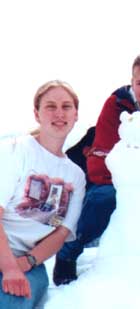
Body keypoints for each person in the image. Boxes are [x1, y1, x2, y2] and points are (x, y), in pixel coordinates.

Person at [53, 48, 140, 285]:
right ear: (132, 83)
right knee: (104, 198)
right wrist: (132, 184)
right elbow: (100, 161)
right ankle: (68, 252)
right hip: (109, 179)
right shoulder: (117, 105)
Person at [0, 80, 86, 308]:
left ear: (76, 114)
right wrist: (8, 267)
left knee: (12, 300)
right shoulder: (15, 150)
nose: (59, 113)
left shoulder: (76, 176)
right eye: (50, 106)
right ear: (37, 114)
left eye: (66, 106)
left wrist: (24, 264)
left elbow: (61, 234)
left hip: (29, 264)